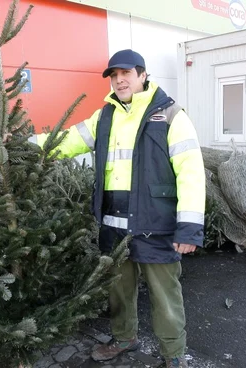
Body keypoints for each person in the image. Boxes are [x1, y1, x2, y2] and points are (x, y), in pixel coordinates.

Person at [28, 49, 205, 368]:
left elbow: (191, 172)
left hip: (157, 225)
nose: (119, 80)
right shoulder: (104, 116)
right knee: (119, 290)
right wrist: (24, 144)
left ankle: (174, 354)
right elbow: (66, 141)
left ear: (142, 75)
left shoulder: (170, 115)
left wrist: (189, 228)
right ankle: (125, 338)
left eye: (126, 73)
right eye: (114, 75)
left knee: (165, 297)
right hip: (114, 225)